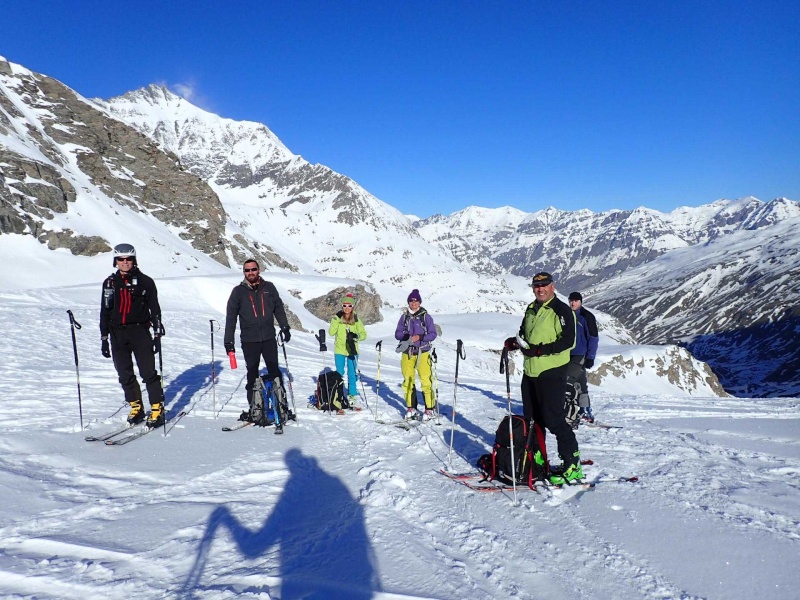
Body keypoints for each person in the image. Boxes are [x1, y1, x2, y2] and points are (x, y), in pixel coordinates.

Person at [504, 272, 581, 485]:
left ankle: (572, 464)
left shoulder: (561, 310)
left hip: (552, 372)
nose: (540, 289)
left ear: (553, 287)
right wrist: (515, 342)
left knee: (554, 420)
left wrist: (539, 351)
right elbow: (523, 334)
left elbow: (568, 341)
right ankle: (538, 460)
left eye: (545, 285)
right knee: (532, 421)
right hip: (530, 372)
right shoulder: (531, 309)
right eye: (537, 286)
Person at [100, 243, 166, 428]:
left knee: (148, 373)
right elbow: (104, 311)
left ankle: (157, 408)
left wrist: (157, 333)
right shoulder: (110, 283)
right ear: (116, 261)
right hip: (117, 333)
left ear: (134, 260)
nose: (125, 262)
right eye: (121, 259)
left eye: (128, 259)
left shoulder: (146, 281)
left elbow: (155, 308)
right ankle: (136, 406)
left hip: (140, 332)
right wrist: (104, 338)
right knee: (124, 373)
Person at [224, 259, 291, 422]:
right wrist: (228, 341)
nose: (250, 273)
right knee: (252, 375)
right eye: (247, 270)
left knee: (274, 373)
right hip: (249, 341)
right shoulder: (238, 292)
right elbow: (231, 318)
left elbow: (278, 308)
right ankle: (255, 408)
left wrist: (285, 327)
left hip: (268, 338)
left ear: (259, 270)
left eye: (253, 269)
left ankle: (280, 407)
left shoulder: (269, 288)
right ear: (243, 272)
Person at [395, 289, 438, 421]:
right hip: (407, 353)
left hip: (423, 353)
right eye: (411, 300)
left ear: (419, 302)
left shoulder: (426, 317)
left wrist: (420, 337)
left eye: (416, 300)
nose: (413, 303)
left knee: (426, 380)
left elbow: (433, 334)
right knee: (408, 380)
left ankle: (429, 409)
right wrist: (406, 337)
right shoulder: (404, 317)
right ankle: (411, 407)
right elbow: (397, 334)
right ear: (408, 302)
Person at [328, 292, 367, 409]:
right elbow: (331, 332)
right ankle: (338, 395)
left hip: (352, 350)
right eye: (344, 305)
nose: (347, 308)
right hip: (339, 350)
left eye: (349, 305)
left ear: (353, 307)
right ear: (342, 306)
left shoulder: (356, 319)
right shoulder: (337, 318)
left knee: (352, 374)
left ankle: (352, 396)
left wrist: (356, 336)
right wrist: (335, 320)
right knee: (339, 373)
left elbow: (363, 334)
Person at [568, 292, 599, 423]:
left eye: (576, 301)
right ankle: (584, 410)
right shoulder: (567, 315)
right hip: (566, 354)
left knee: (568, 380)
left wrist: (590, 356)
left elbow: (593, 337)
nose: (573, 303)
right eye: (571, 300)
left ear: (580, 302)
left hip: (580, 354)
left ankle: (576, 410)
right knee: (580, 383)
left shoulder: (587, 317)